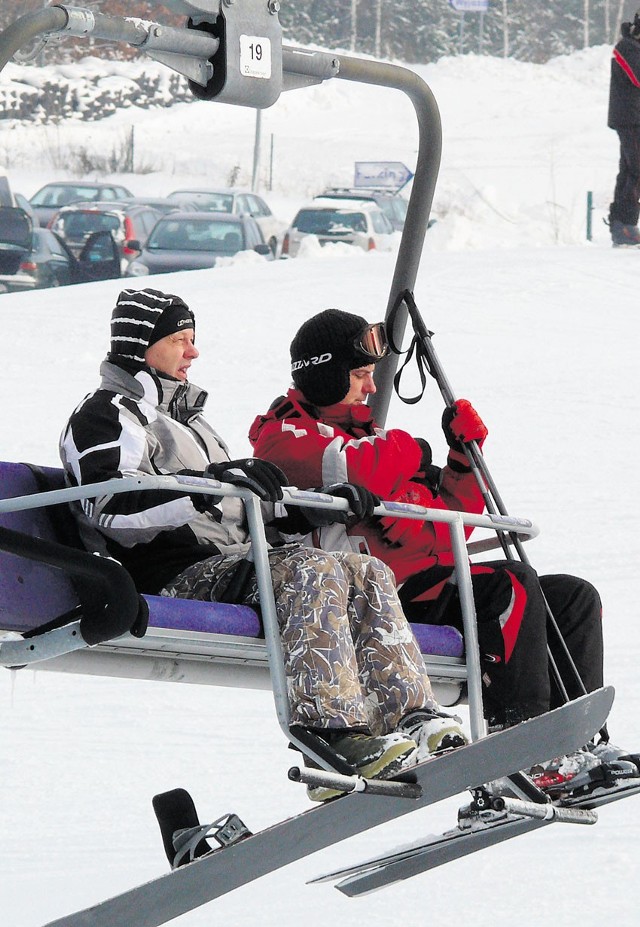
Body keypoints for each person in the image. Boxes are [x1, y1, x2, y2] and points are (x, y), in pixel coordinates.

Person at [59, 288, 467, 803]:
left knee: (365, 572)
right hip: (168, 576)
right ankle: (330, 736)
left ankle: (412, 718)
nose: (193, 352)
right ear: (144, 345)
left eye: (193, 340)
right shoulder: (106, 414)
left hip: (230, 564)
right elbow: (111, 506)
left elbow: (234, 510)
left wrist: (305, 507)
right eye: (181, 340)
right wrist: (205, 484)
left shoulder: (193, 421)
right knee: (309, 571)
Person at [249, 308, 639, 791]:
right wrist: (411, 449)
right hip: (367, 600)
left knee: (574, 597)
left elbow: (451, 517)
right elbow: (356, 471)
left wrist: (460, 458)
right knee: (510, 586)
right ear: (325, 373)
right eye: (360, 375)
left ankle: (577, 741)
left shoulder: (371, 437)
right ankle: (522, 744)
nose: (371, 388)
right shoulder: (283, 435)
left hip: (425, 583)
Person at [608, 11, 640, 247]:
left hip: (634, 119)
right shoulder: (627, 47)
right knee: (637, 169)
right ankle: (624, 224)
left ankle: (622, 226)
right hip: (631, 119)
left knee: (630, 171)